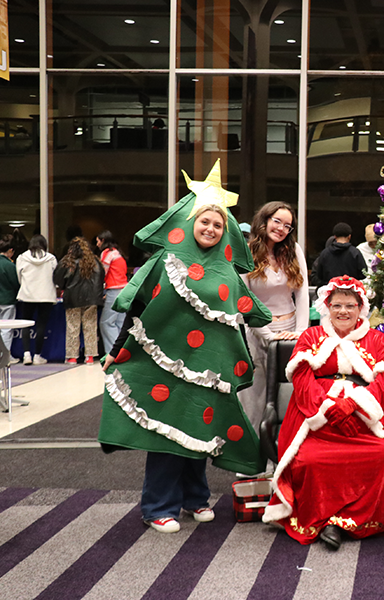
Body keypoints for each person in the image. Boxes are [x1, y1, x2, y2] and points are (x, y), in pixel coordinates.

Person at [98, 161, 271, 533]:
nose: (210, 228)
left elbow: (232, 318)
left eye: (217, 224)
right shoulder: (165, 261)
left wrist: (238, 360)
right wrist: (118, 347)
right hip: (165, 362)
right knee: (167, 429)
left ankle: (195, 497)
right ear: (189, 222)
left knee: (202, 426)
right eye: (204, 221)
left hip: (208, 365)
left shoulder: (227, 271)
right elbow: (139, 304)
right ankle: (158, 504)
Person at [263, 276, 384, 550]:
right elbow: (302, 379)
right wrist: (328, 409)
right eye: (337, 305)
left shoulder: (376, 339)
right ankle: (321, 520)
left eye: (350, 305)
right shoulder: (311, 336)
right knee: (307, 459)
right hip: (316, 417)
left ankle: (349, 520)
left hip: (364, 416)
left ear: (360, 308)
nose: (343, 311)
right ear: (327, 307)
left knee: (381, 453)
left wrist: (355, 405)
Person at [239, 202, 309, 435]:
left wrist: (299, 333)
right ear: (265, 220)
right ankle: (254, 461)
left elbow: (302, 294)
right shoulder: (246, 252)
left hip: (290, 331)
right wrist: (269, 336)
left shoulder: (293, 250)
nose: (281, 228)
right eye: (277, 221)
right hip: (258, 333)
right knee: (254, 397)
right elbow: (244, 301)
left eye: (287, 226)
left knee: (286, 396)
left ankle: (282, 454)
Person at [54, 237, 104, 364]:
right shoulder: (95, 262)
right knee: (90, 327)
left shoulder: (68, 261)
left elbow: (58, 279)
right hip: (92, 299)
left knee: (72, 327)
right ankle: (90, 356)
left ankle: (72, 357)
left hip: (72, 298)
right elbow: (101, 278)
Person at [16, 234, 58, 365]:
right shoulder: (51, 258)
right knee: (41, 325)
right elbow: (55, 277)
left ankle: (26, 354)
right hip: (46, 296)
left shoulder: (22, 258)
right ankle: (37, 356)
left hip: (27, 295)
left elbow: (19, 277)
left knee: (26, 325)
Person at [96, 231, 128, 356]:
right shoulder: (118, 253)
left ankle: (113, 353)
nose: (97, 244)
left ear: (103, 240)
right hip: (124, 290)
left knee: (106, 323)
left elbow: (103, 272)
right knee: (120, 323)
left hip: (114, 290)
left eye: (98, 241)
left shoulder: (107, 253)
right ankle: (122, 352)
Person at [0, 235, 20, 351]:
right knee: (6, 329)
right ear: (10, 251)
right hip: (7, 301)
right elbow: (16, 283)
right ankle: (5, 355)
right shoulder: (9, 265)